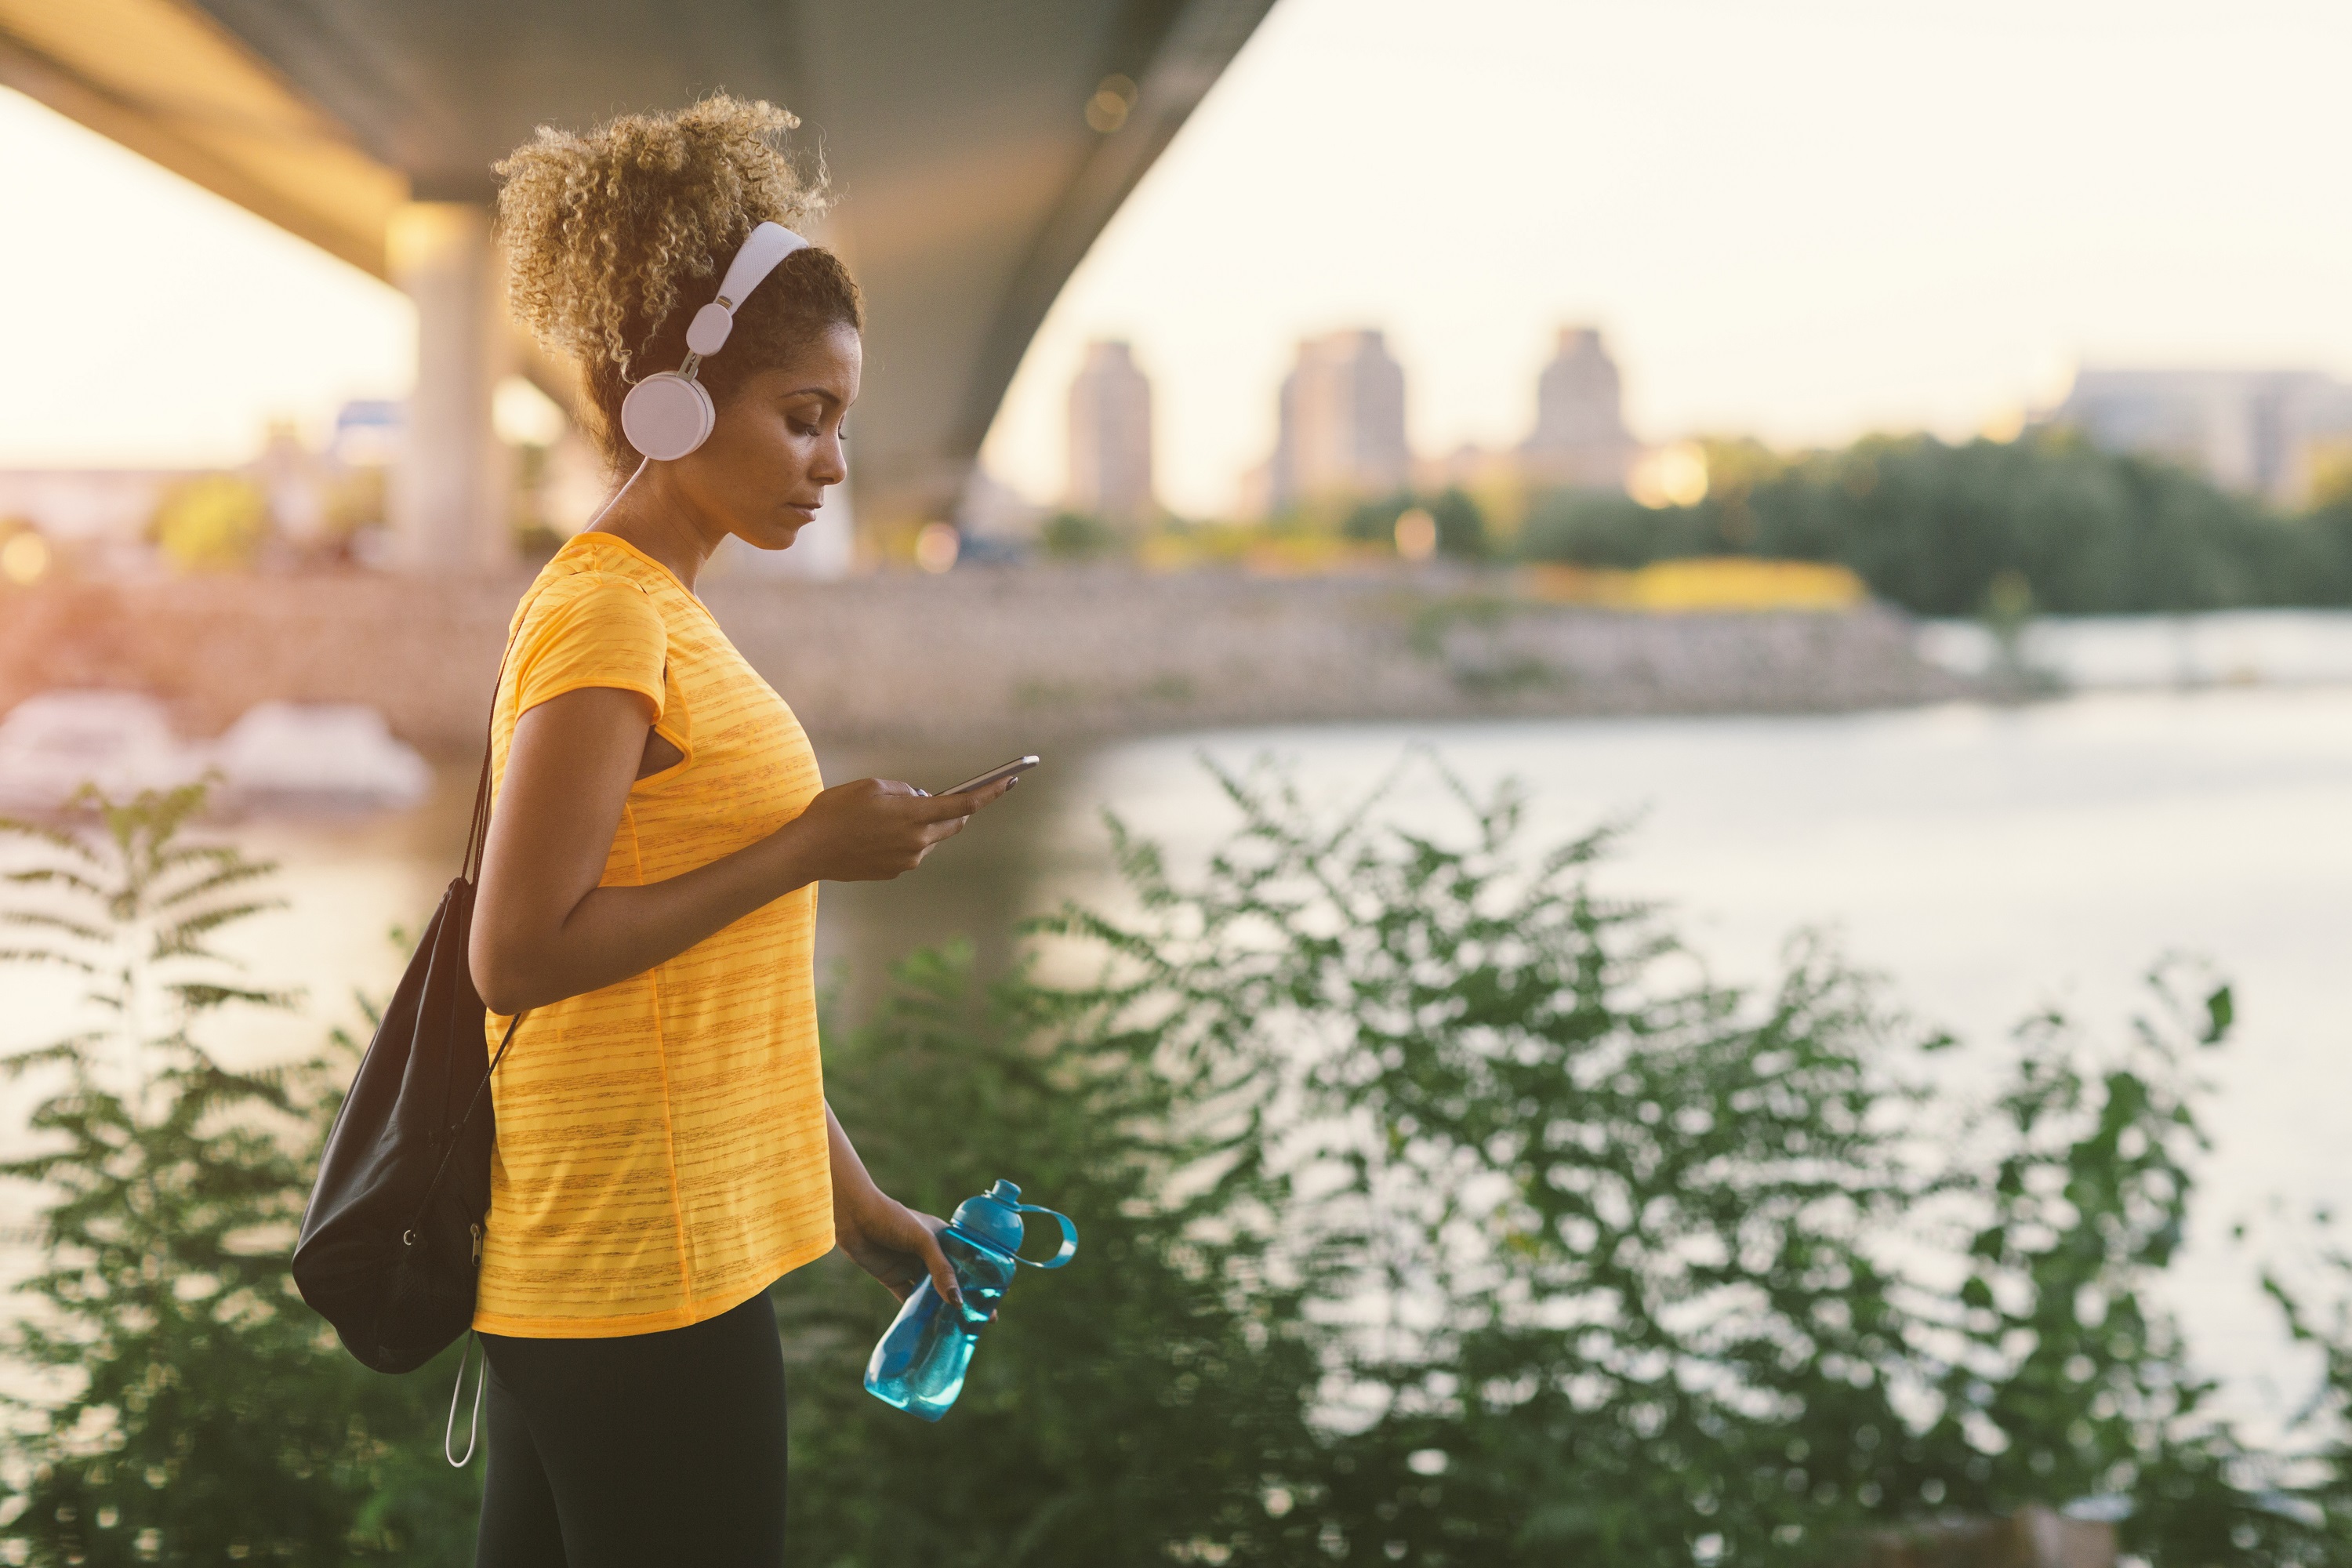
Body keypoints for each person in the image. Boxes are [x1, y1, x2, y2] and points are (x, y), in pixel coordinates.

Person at [466, 96, 1011, 1566]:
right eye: (804, 416)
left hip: (624, 1264)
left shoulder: (666, 618)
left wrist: (866, 1208)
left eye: (842, 424)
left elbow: (722, 993)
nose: (831, 464)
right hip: (642, 1276)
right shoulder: (602, 615)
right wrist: (806, 847)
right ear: (671, 403)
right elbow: (513, 954)